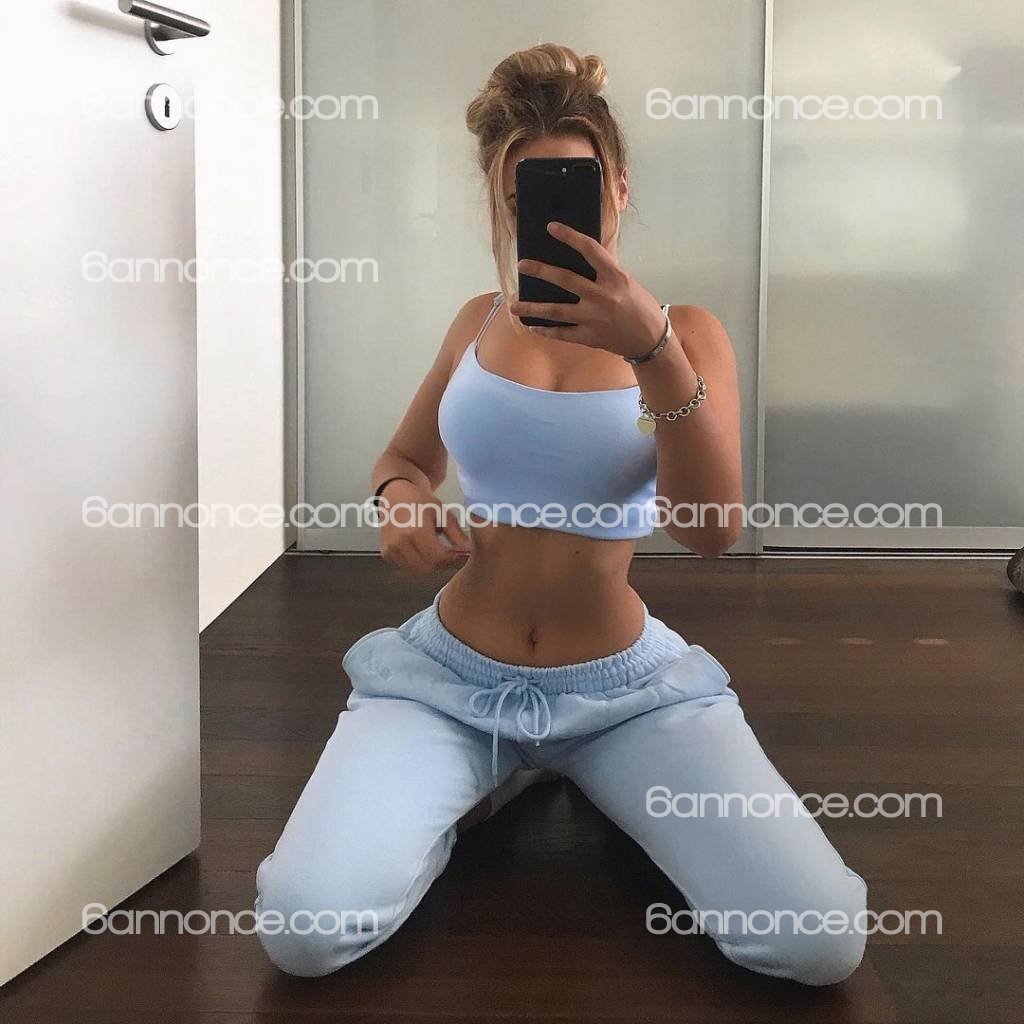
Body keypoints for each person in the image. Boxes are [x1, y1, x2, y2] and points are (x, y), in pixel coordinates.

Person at [254, 42, 867, 986]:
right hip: (448, 680)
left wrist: (653, 352)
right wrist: (400, 504)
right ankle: (488, 778)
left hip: (627, 695)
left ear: (617, 189)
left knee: (819, 940)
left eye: (574, 191)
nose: (545, 219)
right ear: (502, 207)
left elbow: (710, 530)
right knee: (302, 932)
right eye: (521, 198)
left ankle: (566, 770)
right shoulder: (477, 321)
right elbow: (403, 462)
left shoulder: (688, 333)